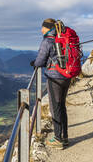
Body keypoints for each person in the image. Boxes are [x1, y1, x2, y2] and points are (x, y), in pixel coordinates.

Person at [30, 18, 71, 149]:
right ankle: (64, 137)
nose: (41, 30)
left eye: (43, 27)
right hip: (66, 77)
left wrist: (34, 63)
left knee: (55, 107)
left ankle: (58, 139)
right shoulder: (63, 39)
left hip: (55, 78)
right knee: (62, 106)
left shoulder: (47, 41)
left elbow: (40, 61)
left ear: (48, 28)